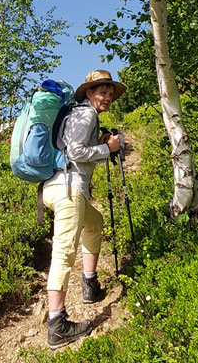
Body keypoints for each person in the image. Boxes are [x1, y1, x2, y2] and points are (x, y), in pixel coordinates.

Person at [42, 69, 126, 350]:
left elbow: (76, 148)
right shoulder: (86, 114)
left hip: (59, 188)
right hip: (68, 190)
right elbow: (75, 152)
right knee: (64, 254)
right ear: (88, 92)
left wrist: (100, 144)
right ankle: (57, 324)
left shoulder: (79, 114)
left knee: (95, 222)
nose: (107, 97)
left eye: (110, 93)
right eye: (102, 91)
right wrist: (109, 149)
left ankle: (90, 284)